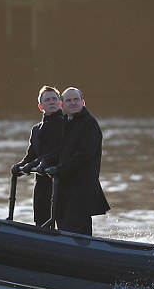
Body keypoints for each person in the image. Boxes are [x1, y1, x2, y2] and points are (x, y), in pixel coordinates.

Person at [43, 87, 110, 235]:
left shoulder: (89, 124)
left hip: (82, 188)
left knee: (73, 229)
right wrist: (43, 162)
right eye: (68, 100)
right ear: (62, 105)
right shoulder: (66, 123)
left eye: (76, 99)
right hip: (64, 188)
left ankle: (85, 249)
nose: (73, 103)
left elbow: (84, 154)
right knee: (63, 226)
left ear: (83, 102)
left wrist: (59, 169)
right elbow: (61, 150)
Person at [12, 85, 64, 227]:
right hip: (42, 183)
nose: (52, 102)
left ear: (60, 103)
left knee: (63, 221)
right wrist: (20, 166)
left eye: (54, 99)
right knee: (41, 221)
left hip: (62, 181)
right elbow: (31, 155)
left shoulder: (68, 125)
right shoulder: (36, 129)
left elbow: (62, 150)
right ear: (41, 106)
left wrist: (38, 162)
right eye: (47, 100)